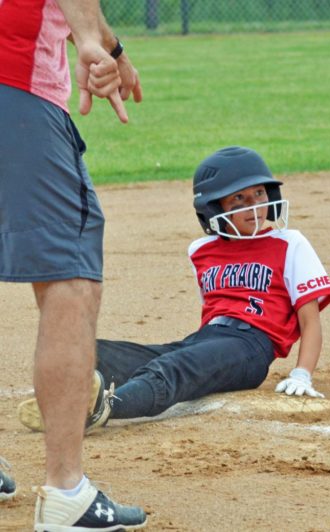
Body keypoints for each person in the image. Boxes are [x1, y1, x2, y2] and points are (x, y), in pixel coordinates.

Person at [18, 146, 330, 433]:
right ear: (213, 209)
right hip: (206, 339)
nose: (253, 206)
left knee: (171, 368)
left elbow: (310, 320)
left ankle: (101, 409)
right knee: (94, 349)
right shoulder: (200, 250)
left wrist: (302, 373)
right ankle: (60, 400)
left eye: (258, 194)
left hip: (250, 348)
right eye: (238, 198)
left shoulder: (289, 243)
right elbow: (212, 318)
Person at [0, 0, 145, 528]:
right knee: (71, 276)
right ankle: (67, 494)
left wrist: (110, 45)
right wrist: (87, 39)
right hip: (13, 81)